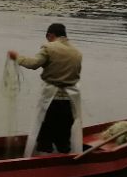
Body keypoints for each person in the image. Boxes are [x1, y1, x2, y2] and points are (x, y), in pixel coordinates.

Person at [7, 22, 83, 155]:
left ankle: (43, 164)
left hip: (51, 99)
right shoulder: (77, 52)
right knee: (63, 135)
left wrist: (17, 58)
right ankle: (65, 161)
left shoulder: (49, 47)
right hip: (70, 101)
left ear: (50, 35)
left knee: (45, 135)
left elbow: (34, 64)